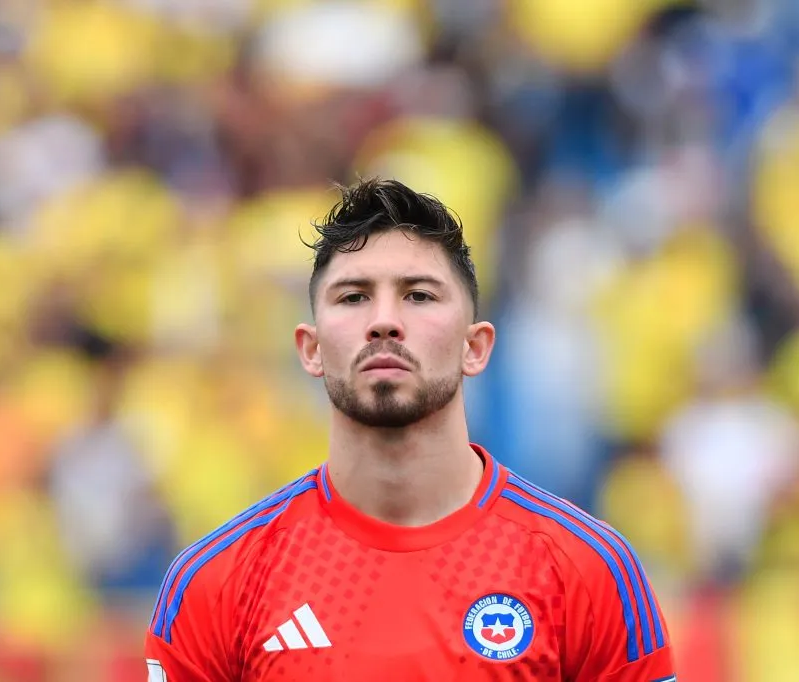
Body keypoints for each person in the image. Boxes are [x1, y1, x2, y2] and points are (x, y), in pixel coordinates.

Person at [144, 178, 676, 681]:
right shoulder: (217, 583)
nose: (384, 321)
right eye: (353, 297)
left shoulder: (588, 570)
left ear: (475, 347)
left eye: (419, 295)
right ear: (311, 349)